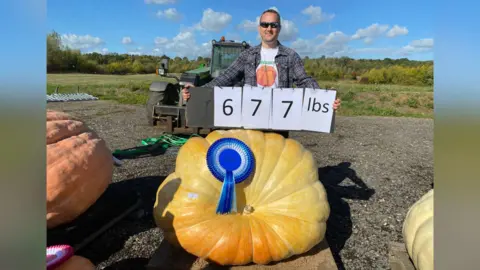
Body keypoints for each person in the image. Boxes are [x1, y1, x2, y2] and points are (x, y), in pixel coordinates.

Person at [182, 8, 341, 136]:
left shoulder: (291, 56)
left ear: (279, 28)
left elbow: (304, 80)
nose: (269, 28)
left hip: (280, 120)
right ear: (259, 28)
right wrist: (198, 92)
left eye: (273, 25)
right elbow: (226, 78)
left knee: (275, 163)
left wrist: (325, 98)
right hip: (252, 119)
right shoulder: (247, 55)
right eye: (265, 25)